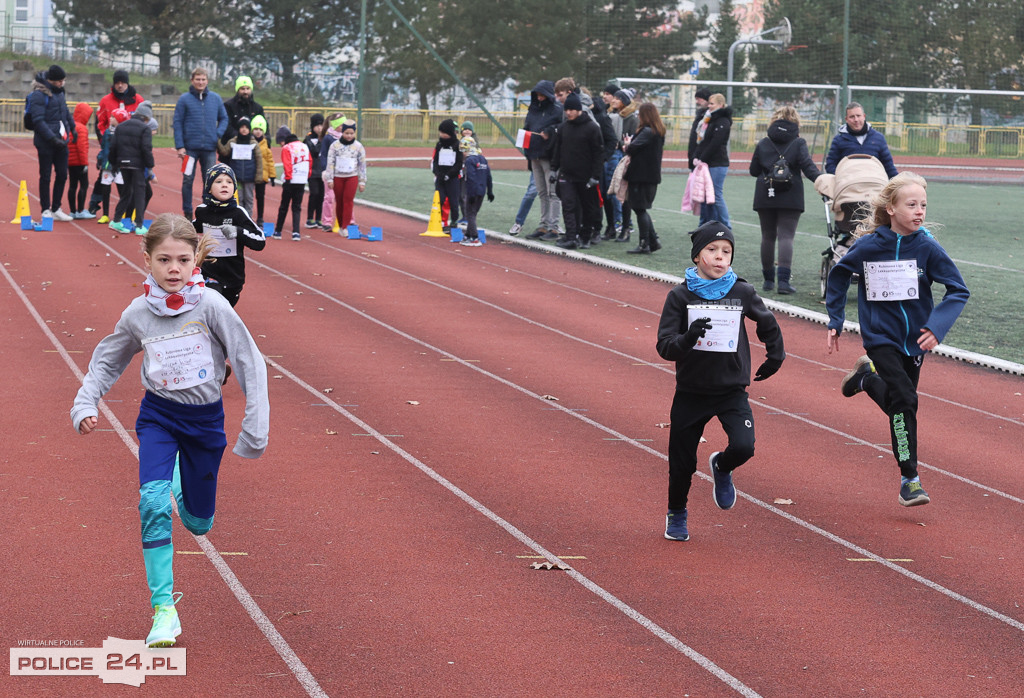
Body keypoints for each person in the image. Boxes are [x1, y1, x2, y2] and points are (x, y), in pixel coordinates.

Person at [71, 213, 269, 649]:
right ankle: (164, 609)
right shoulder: (139, 313)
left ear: (196, 259)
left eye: (182, 259)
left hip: (204, 423)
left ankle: (184, 487)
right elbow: (109, 358)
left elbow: (249, 361)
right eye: (164, 260)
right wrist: (85, 401)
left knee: (199, 523)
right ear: (147, 260)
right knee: (152, 504)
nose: (174, 269)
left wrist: (256, 422)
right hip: (158, 417)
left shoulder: (213, 305)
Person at [825, 172, 968, 507]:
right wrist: (836, 318)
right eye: (911, 205)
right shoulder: (870, 246)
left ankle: (865, 379)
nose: (919, 211)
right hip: (880, 337)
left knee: (899, 403)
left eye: (923, 205)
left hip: (916, 339)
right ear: (890, 208)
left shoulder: (927, 247)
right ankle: (910, 480)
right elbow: (840, 273)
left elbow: (958, 290)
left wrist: (937, 326)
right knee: (905, 399)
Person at [656, 222, 785, 541]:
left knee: (744, 446)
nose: (719, 257)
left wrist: (775, 355)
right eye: (712, 250)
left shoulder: (741, 291)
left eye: (726, 251)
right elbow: (665, 345)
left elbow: (766, 321)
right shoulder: (680, 295)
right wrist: (688, 339)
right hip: (691, 391)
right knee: (681, 463)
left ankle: (723, 467)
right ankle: (677, 513)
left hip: (731, 390)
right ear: (697, 255)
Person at [749, 105, 821, 294]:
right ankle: (783, 282)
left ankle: (767, 281)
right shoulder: (799, 143)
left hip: (766, 193)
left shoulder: (764, 142)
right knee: (786, 236)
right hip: (791, 195)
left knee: (767, 236)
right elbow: (808, 167)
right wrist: (823, 182)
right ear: (796, 123)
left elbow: (753, 171)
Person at [192, 164, 266, 307]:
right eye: (218, 182)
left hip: (232, 276)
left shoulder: (238, 213)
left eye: (229, 182)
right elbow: (192, 227)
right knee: (211, 307)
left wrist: (237, 231)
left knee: (223, 315)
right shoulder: (202, 211)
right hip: (208, 272)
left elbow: (260, 241)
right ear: (209, 187)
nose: (224, 185)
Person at [550, 92, 603, 250]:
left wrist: (595, 176)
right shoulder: (563, 127)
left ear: (579, 109)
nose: (568, 112)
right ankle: (571, 236)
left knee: (587, 208)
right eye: (566, 110)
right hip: (567, 174)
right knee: (568, 205)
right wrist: (554, 169)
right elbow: (557, 150)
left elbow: (598, 153)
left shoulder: (592, 128)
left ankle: (585, 237)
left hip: (586, 177)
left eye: (572, 109)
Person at [173, 67, 229, 218]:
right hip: (189, 149)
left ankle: (207, 210)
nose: (200, 82)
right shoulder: (184, 99)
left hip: (210, 149)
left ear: (207, 81)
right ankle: (188, 212)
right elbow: (177, 122)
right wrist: (180, 146)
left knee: (210, 181)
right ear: (192, 81)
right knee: (187, 180)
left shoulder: (215, 99)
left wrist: (217, 134)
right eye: (197, 79)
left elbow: (224, 118)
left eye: (203, 79)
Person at [29, 64, 75, 222]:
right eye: (59, 81)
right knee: (46, 176)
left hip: (61, 141)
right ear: (51, 80)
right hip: (45, 142)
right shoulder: (38, 95)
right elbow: (38, 121)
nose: (62, 83)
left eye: (63, 80)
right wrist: (52, 139)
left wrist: (73, 128)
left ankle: (56, 208)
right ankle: (45, 209)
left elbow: (65, 112)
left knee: (62, 175)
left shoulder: (60, 93)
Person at [521, 80, 563, 241]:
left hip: (548, 156)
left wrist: (549, 131)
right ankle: (544, 225)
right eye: (537, 95)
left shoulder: (557, 110)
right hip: (534, 155)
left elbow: (560, 127)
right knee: (542, 192)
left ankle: (553, 227)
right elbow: (528, 127)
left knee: (553, 193)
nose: (539, 98)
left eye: (542, 95)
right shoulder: (533, 110)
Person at [623, 102, 666, 255]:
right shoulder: (657, 131)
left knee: (639, 208)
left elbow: (632, 148)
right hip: (649, 176)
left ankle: (645, 243)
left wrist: (627, 145)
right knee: (641, 208)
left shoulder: (647, 131)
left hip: (641, 176)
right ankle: (652, 241)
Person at [108, 102, 155, 235]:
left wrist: (114, 163)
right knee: (140, 193)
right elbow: (146, 148)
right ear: (146, 118)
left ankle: (117, 220)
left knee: (126, 192)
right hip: (137, 164)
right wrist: (150, 165)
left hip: (122, 163)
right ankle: (139, 225)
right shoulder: (145, 129)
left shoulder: (121, 127)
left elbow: (113, 147)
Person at [825, 102, 898, 179]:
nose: (856, 119)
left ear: (864, 116)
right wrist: (842, 178)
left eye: (858, 116)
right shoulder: (838, 140)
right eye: (852, 117)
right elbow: (830, 165)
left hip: (874, 183)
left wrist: (898, 183)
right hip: (848, 184)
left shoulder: (878, 138)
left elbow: (888, 166)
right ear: (846, 119)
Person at [692, 93, 733, 229]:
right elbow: (703, 141)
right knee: (705, 196)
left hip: (718, 163)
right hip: (707, 163)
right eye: (709, 103)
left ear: (720, 105)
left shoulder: (723, 121)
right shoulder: (708, 120)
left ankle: (726, 226)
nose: (709, 106)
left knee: (716, 195)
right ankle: (706, 225)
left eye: (712, 104)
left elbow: (715, 143)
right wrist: (697, 156)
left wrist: (701, 158)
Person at [325, 119, 366, 234]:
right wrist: (330, 178)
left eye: (351, 133)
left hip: (352, 177)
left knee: (348, 200)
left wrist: (362, 181)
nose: (349, 136)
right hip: (338, 177)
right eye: (346, 133)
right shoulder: (335, 146)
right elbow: (330, 162)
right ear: (342, 132)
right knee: (339, 201)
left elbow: (362, 164)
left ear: (354, 133)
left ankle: (346, 226)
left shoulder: (358, 146)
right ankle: (341, 223)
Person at [217, 115, 262, 217]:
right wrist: (218, 142)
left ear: (249, 129)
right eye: (242, 127)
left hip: (250, 177)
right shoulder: (233, 142)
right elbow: (224, 152)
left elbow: (259, 161)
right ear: (238, 129)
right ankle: (239, 219)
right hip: (236, 177)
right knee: (238, 198)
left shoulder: (253, 143)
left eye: (246, 127)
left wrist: (258, 176)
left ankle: (248, 220)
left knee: (249, 199)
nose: (244, 129)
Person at [609, 88, 638, 242]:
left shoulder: (632, 119)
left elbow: (631, 140)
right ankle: (615, 225)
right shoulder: (613, 116)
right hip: (614, 154)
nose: (613, 101)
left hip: (624, 157)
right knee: (613, 192)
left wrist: (619, 143)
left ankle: (626, 226)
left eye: (617, 98)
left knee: (623, 194)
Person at [92, 108, 129, 224]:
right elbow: (104, 148)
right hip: (107, 166)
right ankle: (105, 214)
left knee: (122, 191)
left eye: (113, 117)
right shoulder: (107, 132)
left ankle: (122, 214)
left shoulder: (125, 133)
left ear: (119, 120)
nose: (110, 118)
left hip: (119, 167)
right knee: (105, 190)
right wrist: (100, 159)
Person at [275, 125, 311, 241]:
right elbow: (309, 162)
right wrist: (307, 176)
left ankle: (278, 231)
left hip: (291, 180)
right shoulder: (304, 146)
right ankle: (296, 232)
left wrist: (289, 178)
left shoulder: (287, 148)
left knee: (283, 206)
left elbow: (287, 164)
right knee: (297, 207)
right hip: (301, 180)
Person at [95, 69, 145, 143]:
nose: (120, 85)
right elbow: (99, 123)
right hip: (111, 142)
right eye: (117, 83)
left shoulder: (138, 100)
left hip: (132, 143)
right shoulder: (105, 101)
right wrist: (103, 140)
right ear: (114, 84)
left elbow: (144, 122)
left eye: (123, 83)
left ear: (127, 83)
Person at [432, 118, 463, 233]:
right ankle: (439, 222)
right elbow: (435, 161)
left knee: (454, 202)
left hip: (453, 178)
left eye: (443, 132)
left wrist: (449, 175)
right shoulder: (439, 144)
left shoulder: (457, 145)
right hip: (440, 177)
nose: (441, 135)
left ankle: (454, 223)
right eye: (440, 132)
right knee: (439, 199)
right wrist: (437, 173)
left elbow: (459, 163)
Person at [460, 147, 494, 247]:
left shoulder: (469, 160)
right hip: (482, 190)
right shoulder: (483, 159)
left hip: (473, 191)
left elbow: (471, 176)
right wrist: (490, 191)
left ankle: (474, 237)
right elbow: (488, 176)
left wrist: (471, 193)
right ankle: (468, 234)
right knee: (473, 213)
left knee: (470, 213)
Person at [318, 113, 346, 231]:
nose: (342, 126)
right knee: (329, 197)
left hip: (344, 172)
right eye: (340, 124)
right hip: (331, 173)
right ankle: (327, 222)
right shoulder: (328, 138)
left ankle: (347, 221)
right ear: (335, 125)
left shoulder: (347, 137)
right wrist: (325, 170)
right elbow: (323, 155)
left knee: (345, 197)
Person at [67, 102, 94, 219]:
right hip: (79, 161)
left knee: (72, 185)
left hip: (69, 161)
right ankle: (80, 210)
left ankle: (72, 211)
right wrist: (84, 163)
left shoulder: (69, 125)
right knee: (83, 184)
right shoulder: (81, 128)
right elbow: (81, 147)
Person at [221, 76, 265, 147]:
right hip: (230, 146)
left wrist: (267, 141)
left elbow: (263, 127)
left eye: (248, 88)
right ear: (237, 90)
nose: (245, 92)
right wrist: (240, 137)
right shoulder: (228, 106)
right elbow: (226, 125)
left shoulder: (258, 108)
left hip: (252, 147)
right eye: (242, 89)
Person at [249, 115, 275, 229]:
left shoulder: (266, 145)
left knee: (260, 197)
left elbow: (270, 160)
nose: (258, 132)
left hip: (262, 175)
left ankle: (260, 218)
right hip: (249, 175)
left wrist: (272, 175)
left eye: (260, 129)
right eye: (255, 129)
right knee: (247, 197)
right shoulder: (248, 143)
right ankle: (247, 217)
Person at [303, 113, 325, 229]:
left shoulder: (326, 138)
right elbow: (314, 151)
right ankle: (309, 218)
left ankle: (319, 218)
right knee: (314, 194)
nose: (320, 128)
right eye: (317, 125)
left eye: (322, 125)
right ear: (313, 126)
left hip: (323, 172)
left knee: (321, 196)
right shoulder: (308, 138)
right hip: (312, 172)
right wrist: (321, 141)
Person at [686, 87, 712, 171]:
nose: (697, 102)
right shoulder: (700, 115)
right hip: (695, 157)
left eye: (699, 99)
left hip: (703, 160)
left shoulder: (711, 117)